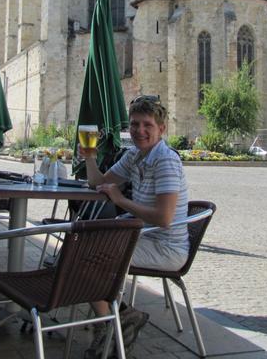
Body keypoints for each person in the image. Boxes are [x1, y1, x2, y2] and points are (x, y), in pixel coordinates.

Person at [80, 96, 189, 357]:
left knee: (83, 259)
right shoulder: (135, 156)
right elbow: (98, 183)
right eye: (135, 124)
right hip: (142, 237)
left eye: (147, 125)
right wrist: (90, 156)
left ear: (161, 129)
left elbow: (164, 218)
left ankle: (110, 325)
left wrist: (121, 200)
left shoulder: (165, 160)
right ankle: (121, 317)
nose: (140, 131)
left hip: (165, 248)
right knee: (79, 249)